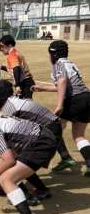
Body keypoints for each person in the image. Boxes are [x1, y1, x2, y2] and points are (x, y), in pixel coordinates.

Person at [0, 80, 75, 180]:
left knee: (21, 158)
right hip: (52, 123)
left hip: (48, 127)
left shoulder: (9, 108)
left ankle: (25, 183)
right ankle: (65, 157)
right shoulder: (14, 100)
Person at [32, 40, 90, 176]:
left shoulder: (58, 63)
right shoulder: (70, 63)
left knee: (52, 129)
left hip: (74, 100)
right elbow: (64, 85)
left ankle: (65, 158)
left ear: (54, 54)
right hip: (86, 98)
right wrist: (43, 88)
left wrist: (59, 105)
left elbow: (62, 81)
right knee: (79, 136)